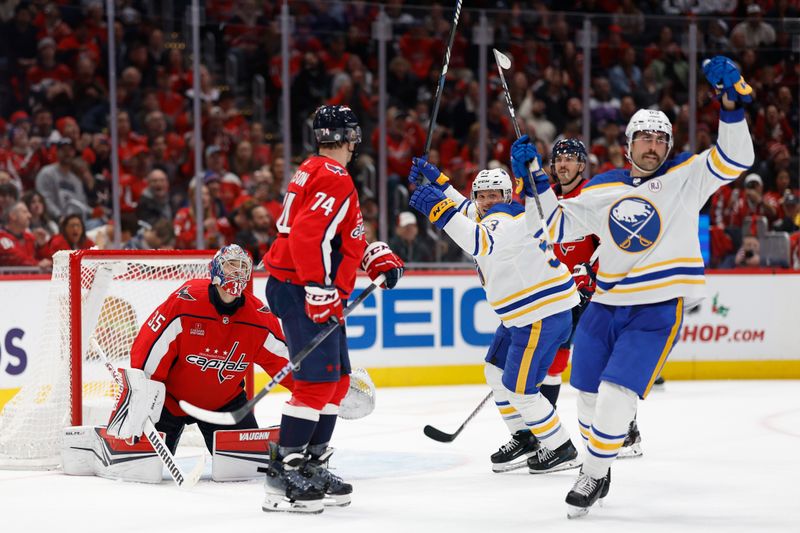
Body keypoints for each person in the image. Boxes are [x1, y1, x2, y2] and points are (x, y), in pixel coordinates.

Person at [510, 55, 755, 517]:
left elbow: (737, 157)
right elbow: (554, 225)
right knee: (584, 394)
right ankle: (599, 463)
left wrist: (732, 109)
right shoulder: (603, 186)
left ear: (669, 145)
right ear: (628, 144)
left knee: (617, 396)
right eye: (644, 136)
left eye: (661, 137)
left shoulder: (686, 177)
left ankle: (593, 471)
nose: (653, 144)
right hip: (604, 306)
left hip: (656, 309)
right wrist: (534, 182)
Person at [262, 105, 405, 513]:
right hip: (303, 288)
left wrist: (371, 254)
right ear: (346, 137)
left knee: (337, 382)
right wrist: (318, 287)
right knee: (313, 384)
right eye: (354, 136)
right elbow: (309, 237)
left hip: (307, 285)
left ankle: (312, 463)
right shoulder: (333, 176)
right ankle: (284, 472)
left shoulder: (313, 168)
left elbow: (336, 236)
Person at [408, 158, 582, 475]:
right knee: (494, 371)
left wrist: (438, 211)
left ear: (508, 194)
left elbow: (478, 240)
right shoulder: (489, 213)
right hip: (523, 315)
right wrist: (440, 182)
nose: (488, 200)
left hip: (539, 314)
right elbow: (466, 210)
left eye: (495, 194)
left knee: (520, 391)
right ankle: (525, 437)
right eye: (482, 194)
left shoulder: (510, 216)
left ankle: (562, 447)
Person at [107, 245, 295, 457]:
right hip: (169, 401)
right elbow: (150, 347)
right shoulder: (186, 302)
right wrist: (142, 396)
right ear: (216, 270)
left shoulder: (259, 318)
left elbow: (285, 363)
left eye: (243, 267)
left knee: (246, 468)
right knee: (138, 462)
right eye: (231, 265)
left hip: (224, 404)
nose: (237, 272)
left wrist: (314, 392)